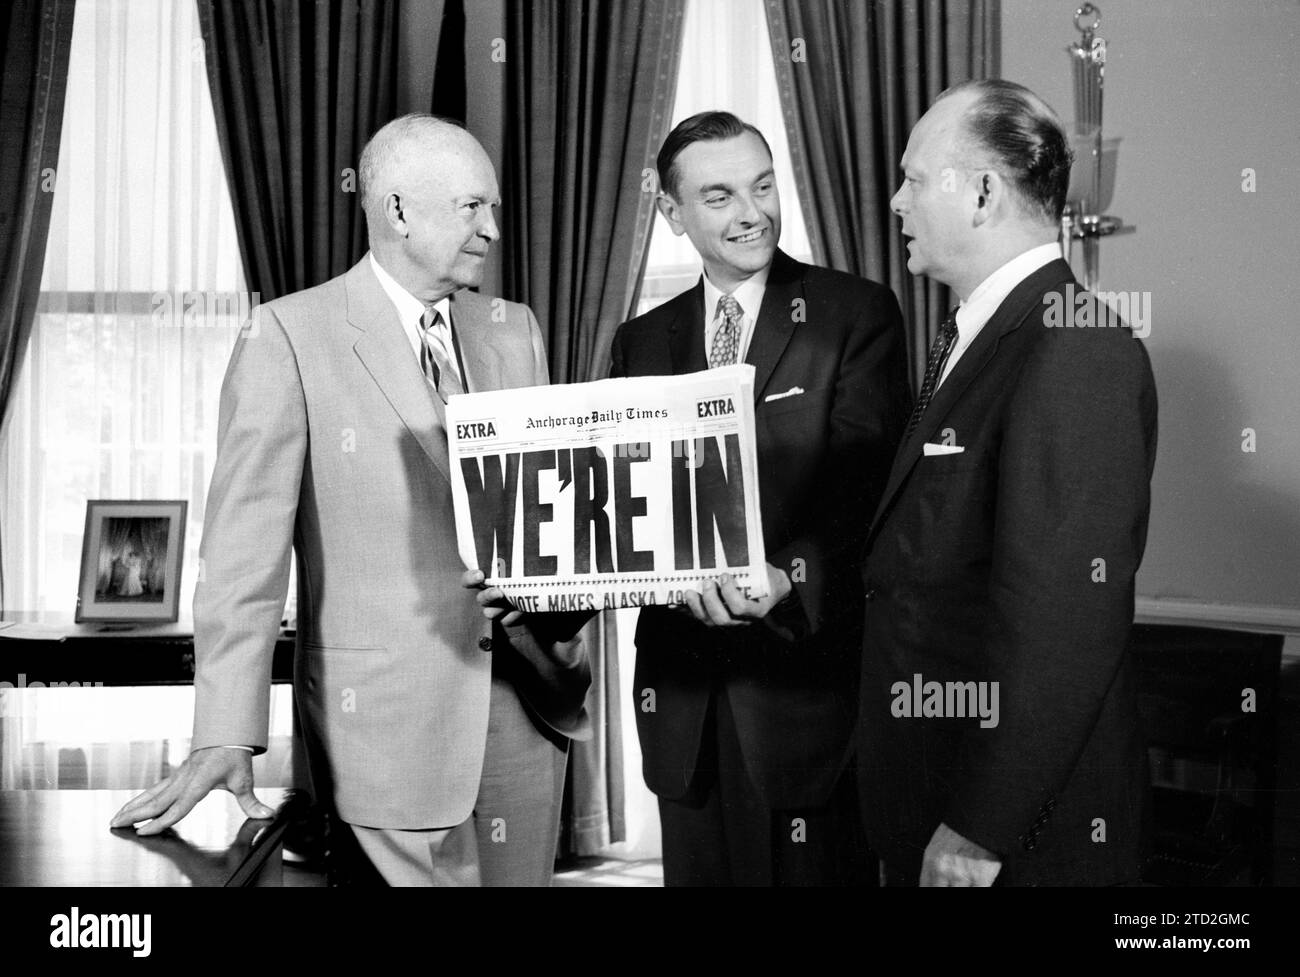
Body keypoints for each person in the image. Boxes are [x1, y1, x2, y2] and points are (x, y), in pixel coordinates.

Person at [110, 115, 591, 886]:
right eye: (474, 207)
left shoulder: (516, 332)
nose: (494, 230)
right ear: (398, 210)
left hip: (528, 717)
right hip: (381, 732)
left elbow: (551, 516)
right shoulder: (286, 336)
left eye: (493, 208)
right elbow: (242, 562)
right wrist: (224, 732)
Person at [857, 79, 1157, 886]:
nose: (895, 201)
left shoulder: (1075, 343)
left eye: (915, 179)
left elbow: (1063, 620)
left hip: (1006, 837)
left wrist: (979, 828)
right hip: (928, 795)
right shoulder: (974, 334)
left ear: (983, 191)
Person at [610, 111, 910, 886]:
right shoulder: (640, 341)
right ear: (673, 215)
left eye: (763, 185)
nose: (752, 212)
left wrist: (789, 576)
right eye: (719, 195)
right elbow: (621, 496)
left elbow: (866, 491)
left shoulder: (856, 313)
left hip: (804, 697)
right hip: (680, 706)